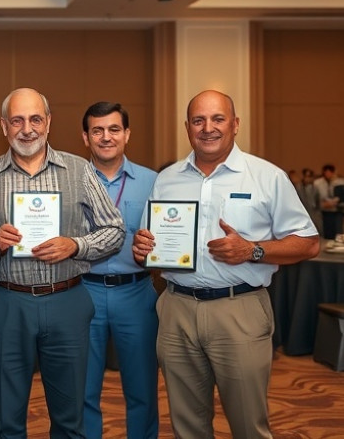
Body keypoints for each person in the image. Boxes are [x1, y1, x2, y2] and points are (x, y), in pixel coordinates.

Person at [132, 89, 319, 438]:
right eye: (198, 120)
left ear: (235, 124)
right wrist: (143, 247)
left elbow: (308, 243)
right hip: (176, 310)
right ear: (187, 127)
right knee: (187, 425)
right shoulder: (167, 178)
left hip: (240, 309)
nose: (208, 128)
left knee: (249, 425)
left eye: (218, 119)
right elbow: (148, 244)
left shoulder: (266, 177)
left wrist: (253, 251)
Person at [0, 88, 125, 438]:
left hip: (66, 300)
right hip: (7, 301)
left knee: (70, 420)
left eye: (35, 119)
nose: (28, 129)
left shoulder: (79, 170)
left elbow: (114, 230)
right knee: (7, 422)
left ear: (49, 123)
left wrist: (76, 244)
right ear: (4, 126)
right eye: (18, 120)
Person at [80, 101, 158, 439]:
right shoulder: (73, 181)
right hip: (83, 292)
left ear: (127, 134)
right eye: (97, 130)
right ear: (86, 138)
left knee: (142, 389)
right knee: (82, 390)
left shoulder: (154, 182)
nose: (106, 137)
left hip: (137, 293)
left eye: (114, 129)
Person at [313, 164, 344, 239]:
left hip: (338, 210)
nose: (328, 174)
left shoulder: (340, 182)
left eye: (330, 172)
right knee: (327, 232)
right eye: (326, 172)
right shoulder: (318, 183)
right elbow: (315, 198)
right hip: (324, 211)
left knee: (338, 232)